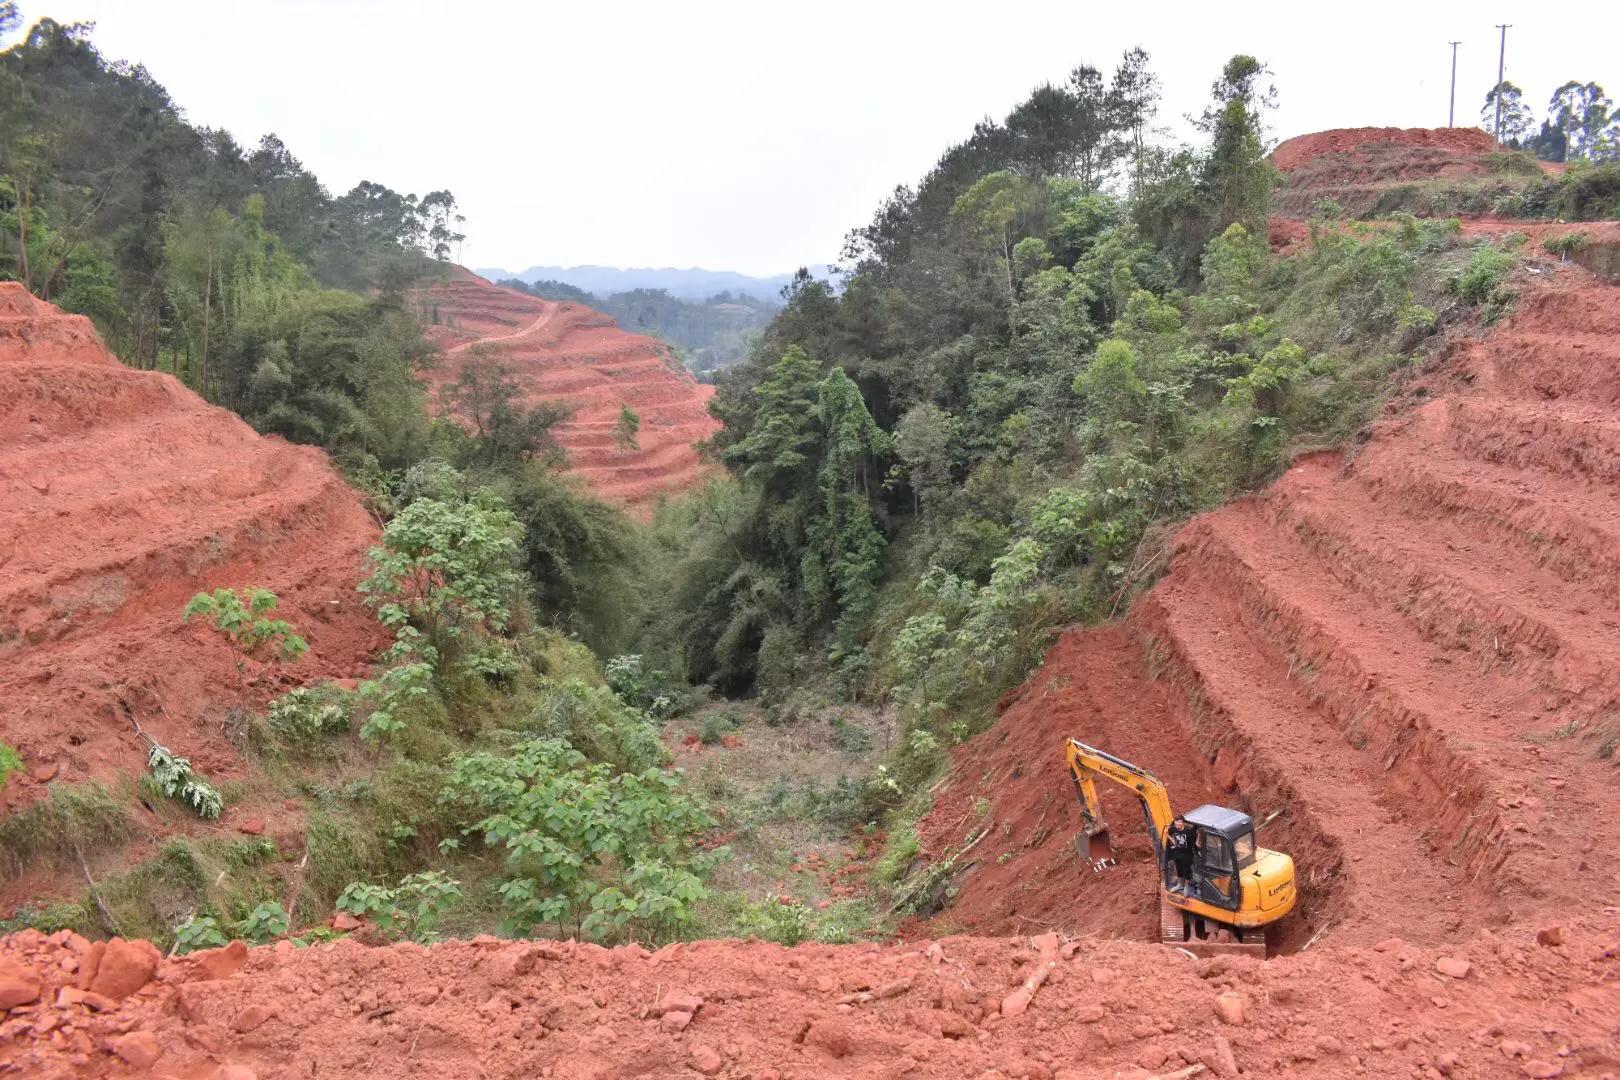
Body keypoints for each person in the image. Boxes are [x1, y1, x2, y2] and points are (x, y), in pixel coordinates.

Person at [1165, 815, 1196, 894]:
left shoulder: (1189, 831)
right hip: (1177, 852)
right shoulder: (1173, 829)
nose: (1177, 823)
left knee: (1186, 871)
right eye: (1176, 821)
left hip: (1187, 854)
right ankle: (1179, 884)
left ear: (1183, 823)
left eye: (1179, 822)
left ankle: (1186, 886)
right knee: (1179, 869)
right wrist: (1173, 841)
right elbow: (1166, 832)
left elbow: (1194, 841)